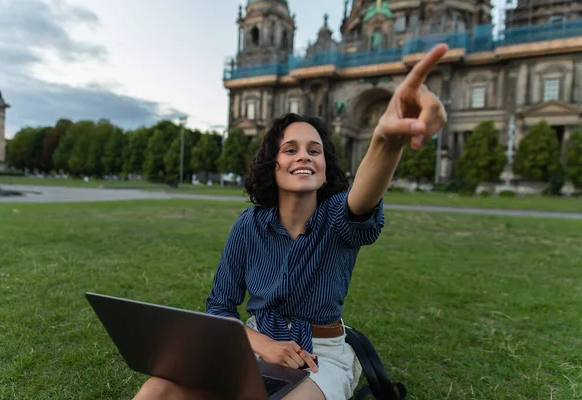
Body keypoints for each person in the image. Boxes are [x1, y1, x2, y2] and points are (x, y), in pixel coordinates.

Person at [134, 44, 448, 400]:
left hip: (321, 356)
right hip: (253, 343)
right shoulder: (249, 225)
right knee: (156, 389)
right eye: (291, 149)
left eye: (314, 151)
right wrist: (262, 344)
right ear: (274, 164)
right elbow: (220, 307)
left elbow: (363, 198)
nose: (304, 156)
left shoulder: (337, 218)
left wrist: (385, 141)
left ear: (325, 166)